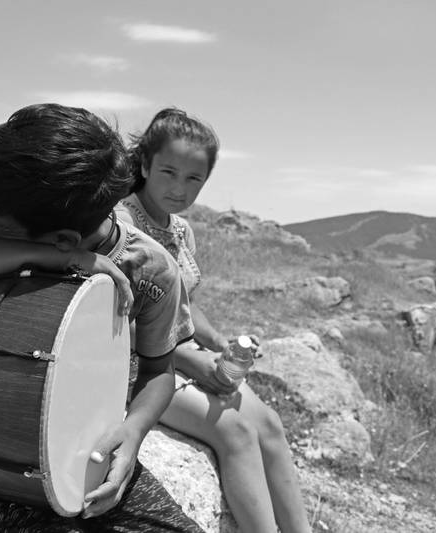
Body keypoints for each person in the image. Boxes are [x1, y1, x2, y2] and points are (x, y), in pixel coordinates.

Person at [0, 103, 204, 533]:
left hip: (84, 453)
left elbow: (159, 370)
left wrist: (132, 433)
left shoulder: (150, 268)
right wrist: (58, 257)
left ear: (63, 234)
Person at [115, 108, 312, 533]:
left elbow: (185, 305)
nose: (179, 189)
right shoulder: (122, 226)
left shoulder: (181, 230)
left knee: (270, 424)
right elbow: (117, 318)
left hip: (180, 353)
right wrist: (191, 363)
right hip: (140, 366)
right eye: (168, 172)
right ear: (145, 165)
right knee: (236, 431)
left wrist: (221, 345)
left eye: (193, 179)